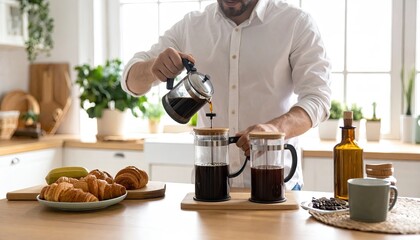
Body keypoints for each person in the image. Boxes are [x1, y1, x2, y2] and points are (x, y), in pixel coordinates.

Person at [121, 0, 331, 190]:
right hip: (210, 187)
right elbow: (130, 81)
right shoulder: (191, 26)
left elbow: (318, 98)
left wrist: (274, 129)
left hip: (277, 186)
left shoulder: (296, 23)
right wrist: (152, 68)